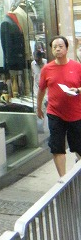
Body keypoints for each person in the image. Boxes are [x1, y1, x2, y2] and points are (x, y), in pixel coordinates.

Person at [37, 36, 81, 177]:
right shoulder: (47, 69)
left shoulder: (77, 67)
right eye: (54, 47)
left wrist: (78, 90)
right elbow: (41, 89)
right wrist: (38, 107)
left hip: (76, 114)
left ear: (67, 49)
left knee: (78, 146)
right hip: (55, 113)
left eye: (61, 46)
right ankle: (63, 179)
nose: (57, 49)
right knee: (57, 147)